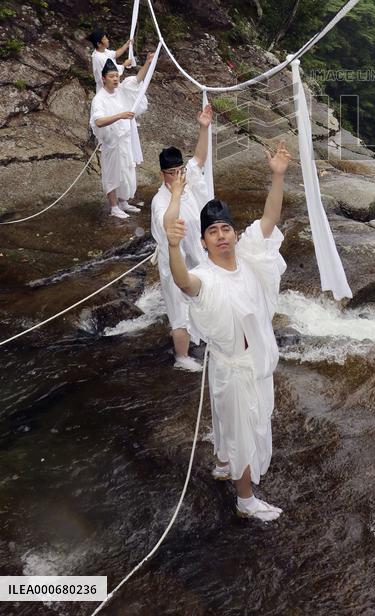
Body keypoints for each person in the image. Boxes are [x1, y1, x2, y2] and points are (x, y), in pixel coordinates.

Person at [164, 140, 291, 522]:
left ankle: (222, 463)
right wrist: (173, 245)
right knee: (242, 431)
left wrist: (278, 175)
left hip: (252, 362)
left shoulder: (250, 258)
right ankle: (245, 499)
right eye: (212, 232)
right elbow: (184, 282)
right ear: (203, 242)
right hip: (231, 366)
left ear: (234, 234)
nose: (221, 236)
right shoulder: (206, 275)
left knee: (227, 423)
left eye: (225, 229)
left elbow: (269, 218)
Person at [150, 104, 214, 373]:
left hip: (198, 256)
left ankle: (209, 338)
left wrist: (203, 127)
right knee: (179, 311)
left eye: (180, 171)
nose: (179, 176)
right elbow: (168, 224)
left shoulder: (187, 178)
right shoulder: (160, 200)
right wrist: (176, 192)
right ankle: (182, 357)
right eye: (172, 173)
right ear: (163, 174)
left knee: (206, 298)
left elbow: (198, 159)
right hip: (175, 263)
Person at [90, 53, 155, 219]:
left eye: (116, 76)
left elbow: (137, 80)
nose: (115, 79)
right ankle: (113, 206)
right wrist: (119, 115)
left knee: (127, 170)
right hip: (111, 142)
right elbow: (98, 121)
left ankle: (123, 201)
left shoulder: (121, 90)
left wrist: (147, 62)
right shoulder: (99, 99)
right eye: (111, 76)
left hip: (125, 139)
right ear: (104, 79)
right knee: (112, 173)